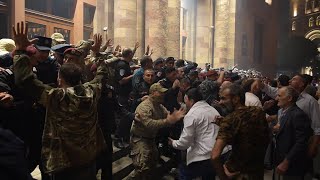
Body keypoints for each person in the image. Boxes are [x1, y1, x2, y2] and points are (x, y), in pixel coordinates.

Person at [12, 22, 106, 180]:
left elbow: (24, 80)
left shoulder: (56, 97)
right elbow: (101, 75)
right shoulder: (92, 91)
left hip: (65, 164)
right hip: (89, 158)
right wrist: (97, 54)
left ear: (59, 79)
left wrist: (21, 51)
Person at [211, 84, 269, 180]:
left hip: (238, 173)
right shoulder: (258, 112)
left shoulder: (229, 121)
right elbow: (248, 134)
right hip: (256, 171)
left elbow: (215, 156)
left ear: (236, 99)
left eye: (223, 98)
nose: (220, 102)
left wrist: (223, 177)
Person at [128, 83, 186, 179]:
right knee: (141, 168)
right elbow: (149, 124)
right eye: (160, 92)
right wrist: (167, 121)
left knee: (151, 165)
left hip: (150, 139)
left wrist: (172, 118)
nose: (163, 95)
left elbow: (167, 114)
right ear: (153, 93)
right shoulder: (145, 106)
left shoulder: (159, 105)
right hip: (140, 140)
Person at [168, 88, 219, 180]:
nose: (185, 103)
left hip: (204, 156)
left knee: (184, 173)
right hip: (219, 154)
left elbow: (185, 143)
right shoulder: (212, 110)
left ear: (191, 100)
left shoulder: (192, 114)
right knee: (209, 176)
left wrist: (173, 143)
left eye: (185, 100)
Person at [274, 86, 313, 179]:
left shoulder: (298, 115)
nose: (276, 98)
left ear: (289, 98)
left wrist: (286, 161)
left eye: (279, 96)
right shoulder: (285, 112)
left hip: (293, 164)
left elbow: (301, 142)